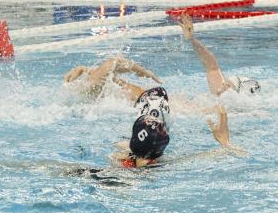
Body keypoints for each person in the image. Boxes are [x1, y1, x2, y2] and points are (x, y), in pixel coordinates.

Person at [64, 56, 240, 168]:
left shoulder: (121, 156)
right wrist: (225, 143)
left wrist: (88, 72)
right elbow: (230, 155)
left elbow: (113, 68)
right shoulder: (166, 163)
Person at [179, 13, 260, 97]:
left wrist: (192, 39)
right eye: (225, 84)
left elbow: (211, 65)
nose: (222, 86)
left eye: (227, 86)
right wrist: (192, 39)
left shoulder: (220, 98)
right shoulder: (221, 95)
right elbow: (211, 65)